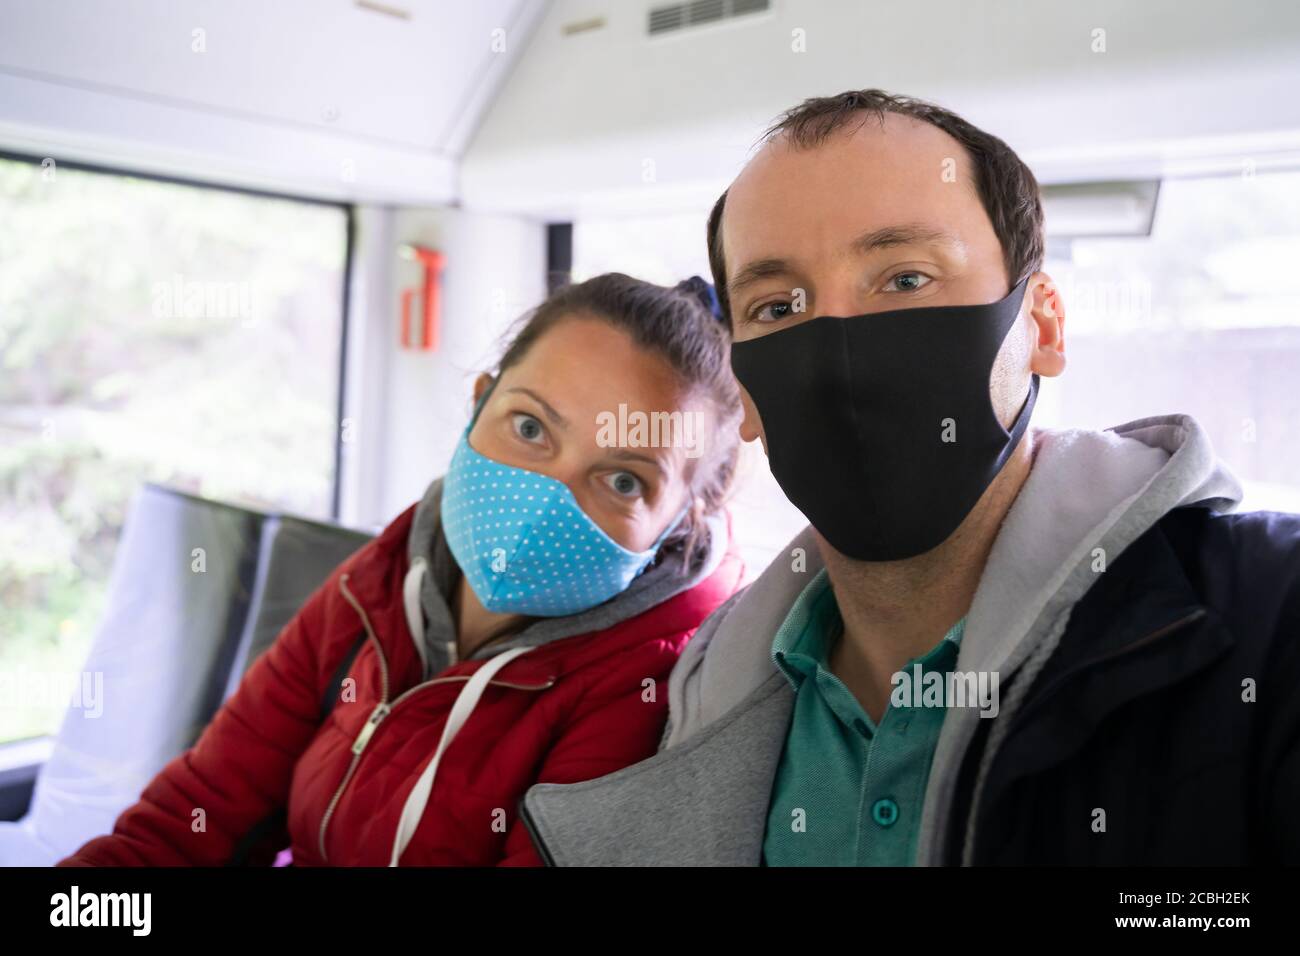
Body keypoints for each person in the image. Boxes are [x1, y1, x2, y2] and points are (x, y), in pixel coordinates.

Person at [519, 89, 1300, 866]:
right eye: (778, 305)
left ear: (1044, 327)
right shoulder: (704, 691)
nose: (837, 352)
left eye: (904, 279)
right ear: (744, 392)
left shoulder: (1269, 618)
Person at [57, 272, 744, 866]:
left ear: (681, 520)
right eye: (531, 427)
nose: (548, 499)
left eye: (623, 481)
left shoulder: (655, 695)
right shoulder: (377, 579)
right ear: (480, 400)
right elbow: (197, 813)